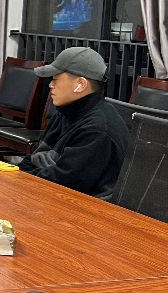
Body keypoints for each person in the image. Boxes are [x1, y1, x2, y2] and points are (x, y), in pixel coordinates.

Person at [19, 47, 129, 197]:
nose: (50, 85)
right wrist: (18, 175)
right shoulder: (65, 112)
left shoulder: (98, 129)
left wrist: (21, 178)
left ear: (81, 84)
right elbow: (33, 158)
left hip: (84, 205)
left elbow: (66, 183)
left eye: (55, 80)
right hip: (49, 192)